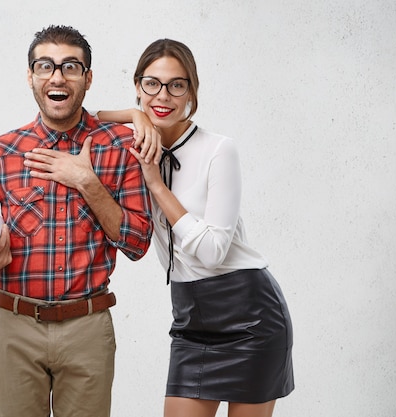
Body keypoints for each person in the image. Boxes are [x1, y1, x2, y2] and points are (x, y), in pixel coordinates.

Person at [0, 25, 154, 417]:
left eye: (71, 67)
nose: (57, 77)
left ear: (87, 79)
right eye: (46, 66)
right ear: (31, 76)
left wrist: (87, 183)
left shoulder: (119, 148)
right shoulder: (1, 153)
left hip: (87, 328)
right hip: (14, 327)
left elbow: (138, 243)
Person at [96, 39, 295, 417]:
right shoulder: (134, 142)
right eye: (151, 83)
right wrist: (134, 116)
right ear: (137, 86)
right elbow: (78, 118)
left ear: (192, 91)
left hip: (250, 315)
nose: (163, 95)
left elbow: (213, 251)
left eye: (177, 84)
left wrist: (155, 184)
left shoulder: (219, 150)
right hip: (189, 318)